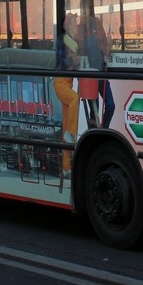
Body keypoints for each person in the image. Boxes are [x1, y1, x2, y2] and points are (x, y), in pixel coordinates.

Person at [53, 12, 81, 177]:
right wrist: (72, 62)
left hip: (68, 82)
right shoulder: (64, 41)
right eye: (75, 22)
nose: (77, 24)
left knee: (65, 122)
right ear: (69, 24)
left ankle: (65, 168)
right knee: (74, 99)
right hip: (61, 83)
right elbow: (61, 62)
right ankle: (71, 132)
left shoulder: (73, 41)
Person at [79, 13, 114, 128]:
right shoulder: (81, 29)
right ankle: (94, 132)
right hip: (89, 77)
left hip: (102, 75)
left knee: (111, 105)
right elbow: (80, 51)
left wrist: (109, 44)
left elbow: (106, 50)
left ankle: (104, 129)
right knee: (95, 111)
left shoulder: (96, 23)